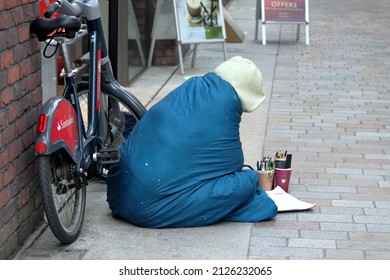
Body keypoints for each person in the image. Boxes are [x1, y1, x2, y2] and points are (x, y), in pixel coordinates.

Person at [106, 56, 278, 228]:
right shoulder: (222, 108)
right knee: (245, 182)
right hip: (145, 207)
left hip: (118, 192)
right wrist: (251, 178)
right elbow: (233, 165)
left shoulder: (189, 88)